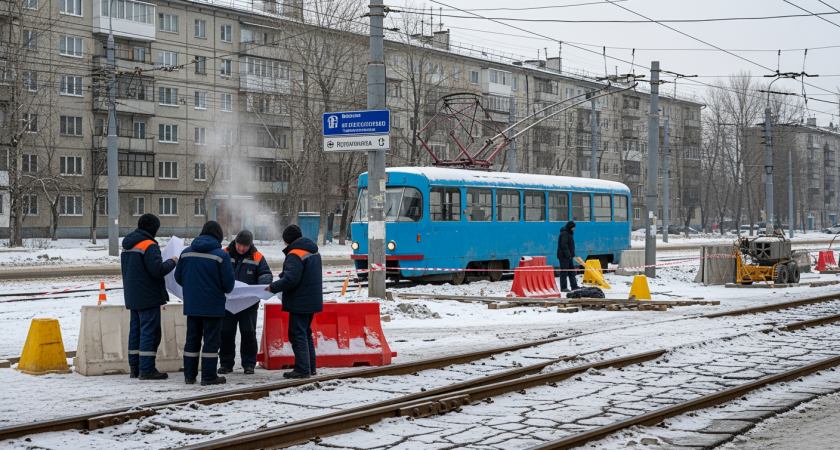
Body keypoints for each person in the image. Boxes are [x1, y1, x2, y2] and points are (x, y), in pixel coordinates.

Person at [175, 221, 236, 386]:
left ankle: (189, 376)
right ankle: (209, 376)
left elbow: (178, 278)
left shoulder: (186, 253)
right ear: (218, 236)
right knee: (211, 341)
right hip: (213, 306)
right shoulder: (221, 255)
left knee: (192, 340)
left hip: (192, 305)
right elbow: (229, 285)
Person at [121, 214, 178, 380]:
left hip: (133, 296)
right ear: (154, 228)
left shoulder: (128, 244)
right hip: (148, 295)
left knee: (136, 332)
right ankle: (146, 369)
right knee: (149, 333)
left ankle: (135, 369)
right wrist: (172, 261)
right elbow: (157, 270)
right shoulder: (149, 244)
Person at [266, 224, 323, 379]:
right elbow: (304, 273)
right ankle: (310, 367)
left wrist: (273, 287)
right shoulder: (312, 250)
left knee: (298, 334)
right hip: (311, 299)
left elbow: (291, 280)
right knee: (305, 332)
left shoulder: (294, 254)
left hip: (300, 300)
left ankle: (302, 369)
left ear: (287, 241)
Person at [219, 230, 272, 375]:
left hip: (248, 304)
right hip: (227, 303)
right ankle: (226, 363)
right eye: (240, 245)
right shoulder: (223, 253)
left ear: (251, 245)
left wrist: (263, 282)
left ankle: (249, 364)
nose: (242, 249)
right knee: (226, 333)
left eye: (245, 246)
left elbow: (266, 273)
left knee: (248, 333)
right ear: (235, 242)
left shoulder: (258, 257)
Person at [557, 220, 579, 293]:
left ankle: (574, 286)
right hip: (564, 257)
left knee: (571, 272)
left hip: (568, 256)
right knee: (564, 272)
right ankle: (563, 287)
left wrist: (571, 255)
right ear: (570, 227)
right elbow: (564, 245)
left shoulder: (569, 233)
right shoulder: (565, 234)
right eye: (573, 227)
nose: (574, 229)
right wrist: (568, 255)